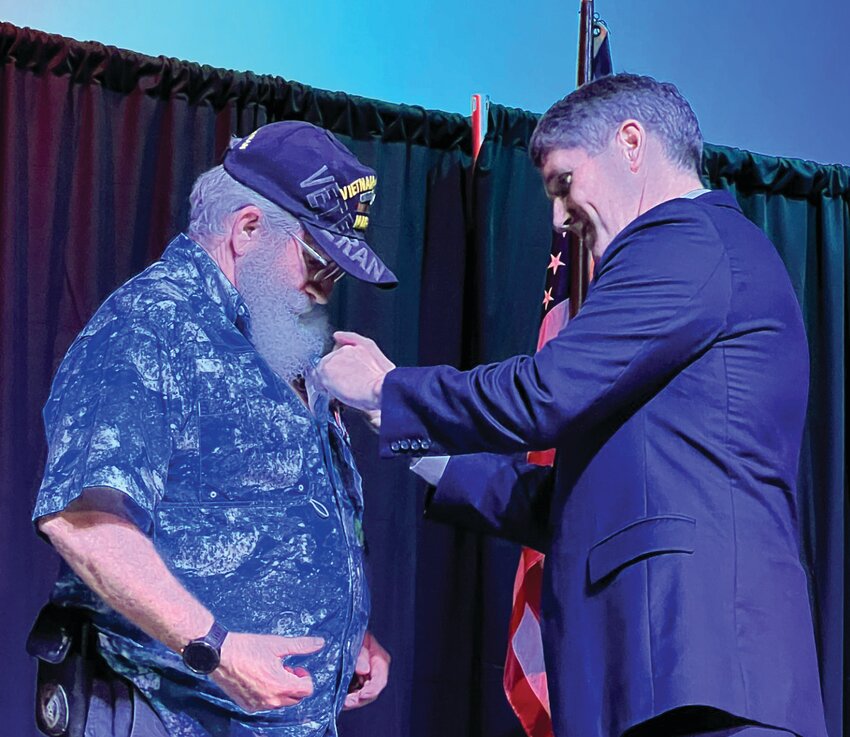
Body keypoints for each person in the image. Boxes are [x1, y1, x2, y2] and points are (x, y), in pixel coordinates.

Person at [315, 74, 829, 737]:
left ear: (631, 143)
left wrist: (392, 387)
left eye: (563, 185)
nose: (559, 219)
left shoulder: (687, 239)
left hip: (700, 674)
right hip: (653, 678)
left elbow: (544, 392)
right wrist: (401, 426)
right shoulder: (688, 267)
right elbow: (565, 502)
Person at [31, 121, 393, 737]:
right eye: (316, 262)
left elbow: (264, 518)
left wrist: (345, 633)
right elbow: (84, 523)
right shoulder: (150, 327)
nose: (322, 287)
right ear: (248, 229)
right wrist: (215, 648)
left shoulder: (274, 338)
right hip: (167, 711)